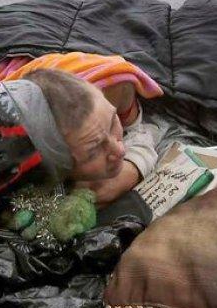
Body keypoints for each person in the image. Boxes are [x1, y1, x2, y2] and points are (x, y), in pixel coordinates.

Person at [23, 68, 159, 206]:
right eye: (93, 152)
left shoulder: (119, 88)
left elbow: (147, 128)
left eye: (112, 123)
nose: (120, 151)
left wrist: (133, 168)